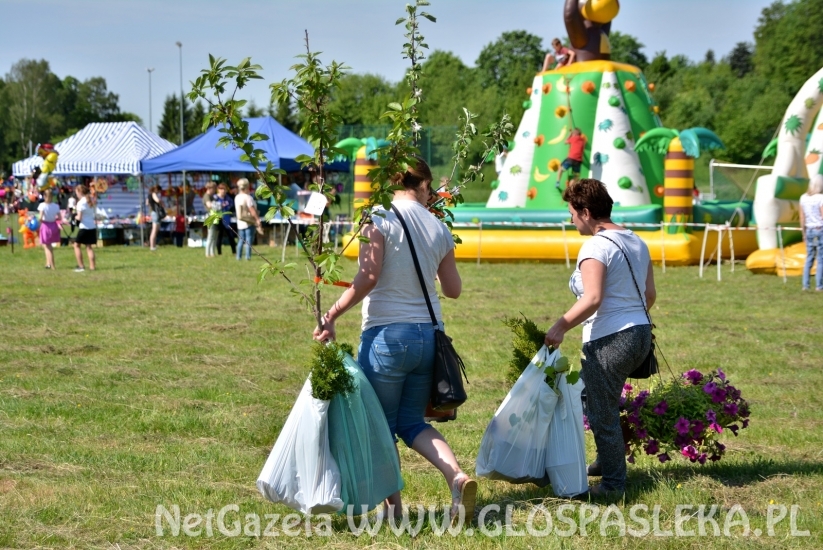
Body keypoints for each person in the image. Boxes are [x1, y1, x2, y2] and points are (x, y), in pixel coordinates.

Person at [312, 157, 477, 522]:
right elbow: (453, 290)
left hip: (387, 336)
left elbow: (368, 277)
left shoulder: (379, 217)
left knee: (381, 425)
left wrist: (333, 314)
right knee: (412, 423)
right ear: (424, 184)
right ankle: (457, 476)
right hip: (428, 338)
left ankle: (395, 513)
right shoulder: (437, 226)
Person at [544, 178, 656, 497]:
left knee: (600, 411)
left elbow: (592, 298)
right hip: (640, 334)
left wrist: (560, 327)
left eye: (572, 213)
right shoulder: (636, 240)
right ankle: (606, 463)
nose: (570, 219)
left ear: (587, 212)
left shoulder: (596, 245)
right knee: (600, 403)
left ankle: (613, 485)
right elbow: (649, 295)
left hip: (609, 339)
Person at [799, 174, 823, 291]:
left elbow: (802, 217)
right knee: (821, 259)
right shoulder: (820, 198)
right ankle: (819, 285)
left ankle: (806, 285)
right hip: (820, 229)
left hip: (809, 229)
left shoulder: (803, 198)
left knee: (809, 257)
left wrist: (803, 232)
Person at [234, 178, 261, 260]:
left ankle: (238, 257)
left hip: (240, 221)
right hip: (249, 221)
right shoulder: (248, 197)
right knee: (249, 240)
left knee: (241, 240)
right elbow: (252, 210)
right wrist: (257, 219)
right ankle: (247, 257)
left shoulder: (237, 197)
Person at [73, 184, 97, 272]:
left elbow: (79, 217)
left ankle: (81, 265)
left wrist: (74, 217)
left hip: (84, 227)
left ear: (80, 192)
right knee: (89, 247)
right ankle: (92, 266)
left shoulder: (80, 203)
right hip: (92, 226)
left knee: (76, 245)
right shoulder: (90, 200)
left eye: (76, 193)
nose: (76, 195)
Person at [38, 189, 61, 269]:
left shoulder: (42, 205)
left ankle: (52, 265)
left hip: (45, 225)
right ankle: (48, 263)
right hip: (53, 225)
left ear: (44, 196)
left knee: (48, 247)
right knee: (47, 245)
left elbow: (40, 218)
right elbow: (59, 217)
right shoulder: (56, 206)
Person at [213, 183, 236, 256]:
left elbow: (231, 205)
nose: (223, 191)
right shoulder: (215, 198)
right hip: (219, 219)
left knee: (231, 236)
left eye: (224, 189)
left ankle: (234, 251)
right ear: (218, 190)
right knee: (219, 236)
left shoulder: (228, 198)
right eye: (221, 189)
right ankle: (219, 252)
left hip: (227, 219)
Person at [203, 182, 218, 257]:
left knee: (214, 236)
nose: (215, 190)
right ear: (209, 188)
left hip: (214, 216)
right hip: (209, 217)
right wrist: (217, 205)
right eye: (214, 188)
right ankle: (207, 253)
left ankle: (212, 253)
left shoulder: (212, 196)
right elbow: (209, 205)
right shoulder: (207, 196)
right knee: (210, 235)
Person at [147, 186, 164, 251]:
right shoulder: (153, 194)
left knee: (154, 230)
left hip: (152, 212)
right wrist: (161, 203)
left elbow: (147, 203)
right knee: (154, 230)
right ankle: (152, 246)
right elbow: (157, 200)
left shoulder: (149, 195)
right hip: (155, 213)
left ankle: (153, 245)